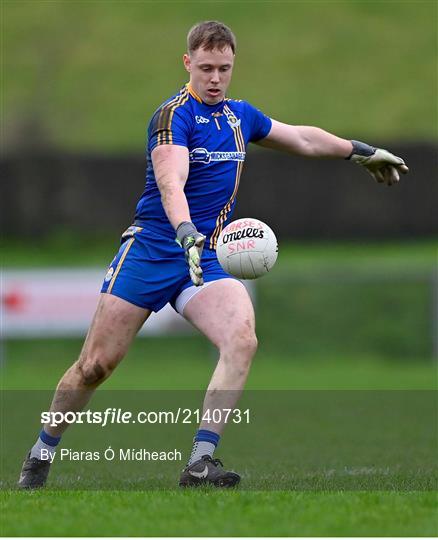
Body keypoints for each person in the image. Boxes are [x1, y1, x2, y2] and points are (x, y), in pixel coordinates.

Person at [18, 20, 408, 489]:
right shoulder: (173, 116)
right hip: (153, 249)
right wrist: (185, 232)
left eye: (224, 68)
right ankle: (41, 452)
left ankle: (200, 462)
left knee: (241, 338)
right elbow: (171, 181)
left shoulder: (240, 117)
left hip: (206, 258)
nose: (215, 78)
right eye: (206, 68)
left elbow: (302, 138)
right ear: (188, 64)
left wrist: (361, 153)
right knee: (95, 365)